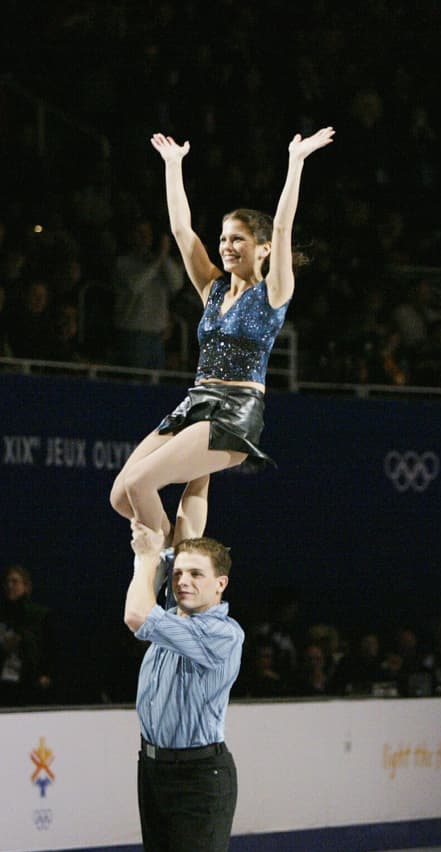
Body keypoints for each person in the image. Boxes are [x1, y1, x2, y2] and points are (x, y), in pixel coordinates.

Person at [109, 127, 334, 544]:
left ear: (263, 249)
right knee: (121, 495)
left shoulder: (273, 293)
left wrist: (295, 162)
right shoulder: (213, 288)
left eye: (239, 240)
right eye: (223, 239)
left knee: (141, 485)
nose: (227, 246)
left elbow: (283, 228)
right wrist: (173, 167)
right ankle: (179, 556)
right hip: (196, 401)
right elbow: (181, 231)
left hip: (234, 410)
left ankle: (172, 572)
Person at [124, 521, 244, 852]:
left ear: (221, 584)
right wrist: (201, 471)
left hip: (199, 776)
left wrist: (147, 557)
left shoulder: (225, 634)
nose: (182, 581)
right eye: (177, 573)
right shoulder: (174, 616)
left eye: (196, 574)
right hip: (152, 769)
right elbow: (188, 524)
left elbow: (135, 615)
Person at [110, 218, 185, 369]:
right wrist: (158, 260)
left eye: (148, 233)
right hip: (132, 333)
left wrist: (163, 256)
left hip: (157, 335)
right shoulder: (124, 262)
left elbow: (176, 284)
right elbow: (135, 286)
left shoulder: (160, 263)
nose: (145, 237)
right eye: (140, 233)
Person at [0, 564, 55, 707]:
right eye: (7, 582)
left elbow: (52, 649)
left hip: (32, 685)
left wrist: (48, 676)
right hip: (3, 687)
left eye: (15, 581)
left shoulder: (39, 615)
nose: (10, 586)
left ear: (26, 586)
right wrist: (2, 647)